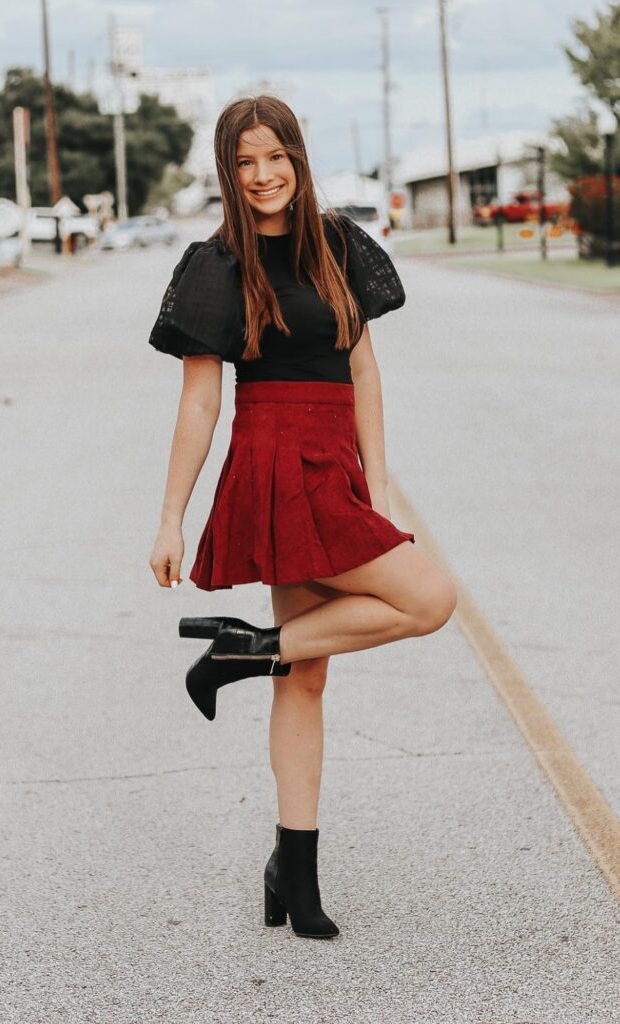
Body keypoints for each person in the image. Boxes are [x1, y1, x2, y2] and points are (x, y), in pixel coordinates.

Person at [148, 95, 457, 940]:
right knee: (400, 618)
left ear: (296, 155)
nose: (261, 176)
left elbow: (362, 370)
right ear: (227, 170)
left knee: (363, 636)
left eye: (273, 156)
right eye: (243, 162)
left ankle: (247, 665)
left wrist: (380, 490)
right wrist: (171, 516)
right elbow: (201, 401)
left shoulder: (340, 244)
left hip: (335, 466)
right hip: (274, 461)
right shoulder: (214, 265)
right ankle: (295, 858)